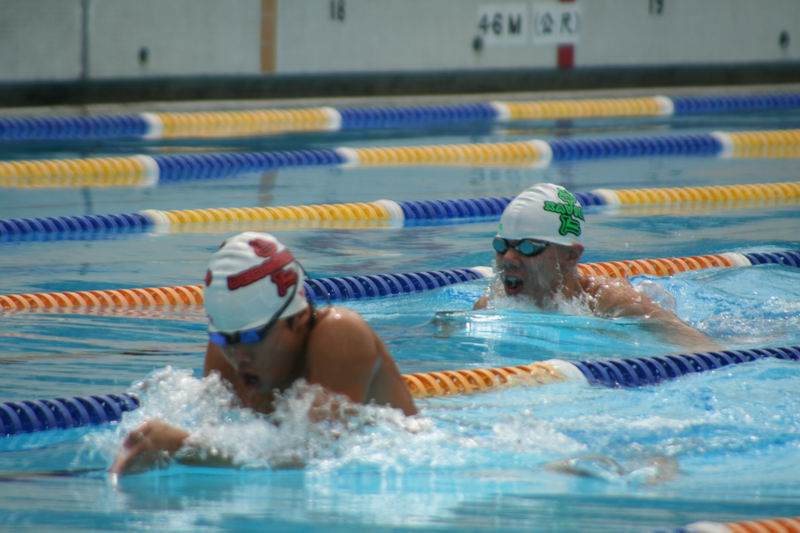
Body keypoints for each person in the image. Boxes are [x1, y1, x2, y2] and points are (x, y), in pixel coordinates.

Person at [111, 232, 417, 475]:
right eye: (224, 338)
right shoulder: (225, 355)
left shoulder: (340, 335)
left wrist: (184, 446)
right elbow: (231, 444)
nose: (238, 356)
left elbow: (314, 456)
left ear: (298, 319)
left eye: (252, 337)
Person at [475, 183, 720, 350]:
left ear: (570, 255)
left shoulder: (613, 304)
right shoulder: (490, 305)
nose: (509, 258)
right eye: (501, 245)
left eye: (528, 247)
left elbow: (703, 350)